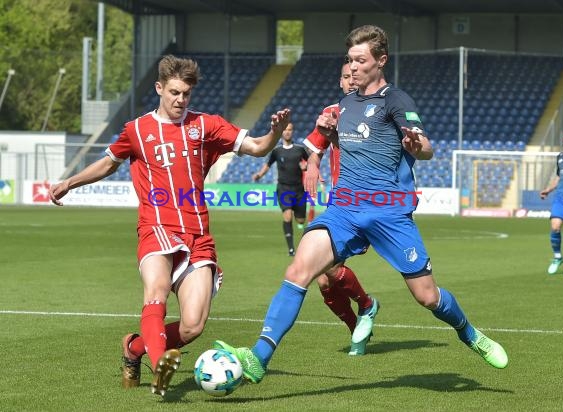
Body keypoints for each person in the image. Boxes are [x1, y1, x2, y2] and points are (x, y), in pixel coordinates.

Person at [214, 25, 508, 384]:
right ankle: (259, 357)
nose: (352, 67)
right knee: (299, 271)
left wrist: (419, 147)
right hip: (344, 210)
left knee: (427, 297)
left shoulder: (395, 100)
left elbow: (425, 145)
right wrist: (328, 136)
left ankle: (469, 333)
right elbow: (326, 144)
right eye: (349, 60)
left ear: (380, 61)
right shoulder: (344, 104)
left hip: (389, 213)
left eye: (360, 60)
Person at [48, 54, 291, 396]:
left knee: (193, 325)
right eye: (174, 92)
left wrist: (273, 134)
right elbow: (107, 164)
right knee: (157, 292)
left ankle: (134, 348)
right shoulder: (136, 130)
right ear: (160, 88)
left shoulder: (206, 125)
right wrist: (69, 183)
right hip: (156, 227)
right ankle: (161, 365)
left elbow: (256, 147)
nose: (180, 100)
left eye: (186, 94)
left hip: (198, 236)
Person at [303, 59, 379, 356]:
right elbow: (314, 148)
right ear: (340, 82)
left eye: (354, 76)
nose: (350, 80)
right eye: (345, 77)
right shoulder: (331, 114)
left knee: (331, 269)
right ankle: (356, 331)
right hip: (340, 203)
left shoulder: (376, 112)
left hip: (368, 203)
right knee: (323, 279)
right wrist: (311, 165)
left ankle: (368, 305)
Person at [252, 122, 309, 256]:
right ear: (282, 132)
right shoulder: (276, 151)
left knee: (301, 220)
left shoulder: (300, 149)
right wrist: (260, 174)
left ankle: (299, 220)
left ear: (292, 131)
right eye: (285, 130)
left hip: (299, 190)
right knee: (287, 216)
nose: (287, 132)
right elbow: (268, 164)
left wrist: (306, 167)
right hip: (284, 188)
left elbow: (310, 162)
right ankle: (291, 249)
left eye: (290, 129)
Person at [540, 127, 563, 274]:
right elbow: (559, 177)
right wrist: (548, 189)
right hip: (561, 198)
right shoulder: (560, 157)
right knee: (555, 226)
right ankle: (557, 257)